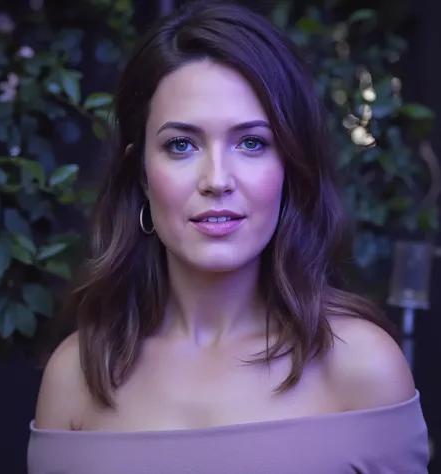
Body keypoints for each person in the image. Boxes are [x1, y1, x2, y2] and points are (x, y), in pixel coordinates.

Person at [28, 1, 429, 473]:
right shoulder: (75, 376)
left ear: (289, 166)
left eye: (251, 143)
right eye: (181, 145)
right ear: (141, 174)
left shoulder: (363, 367)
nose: (217, 180)